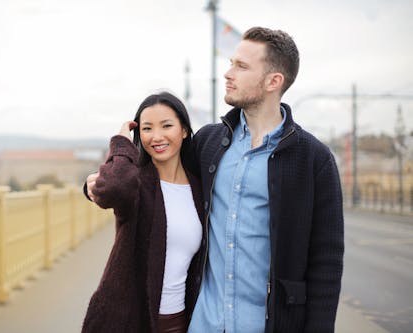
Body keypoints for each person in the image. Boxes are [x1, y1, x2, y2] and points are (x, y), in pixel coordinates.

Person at [187, 27, 344, 333]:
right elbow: (157, 181)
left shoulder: (315, 159)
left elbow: (326, 262)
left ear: (274, 81)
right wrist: (100, 181)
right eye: (232, 63)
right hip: (204, 323)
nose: (228, 74)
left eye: (242, 67)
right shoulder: (207, 142)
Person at [81, 92, 205, 333]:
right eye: (147, 129)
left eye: (167, 126)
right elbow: (114, 187)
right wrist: (120, 142)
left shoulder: (199, 188)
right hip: (129, 320)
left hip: (181, 321)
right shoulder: (137, 184)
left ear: (184, 130)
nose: (156, 137)